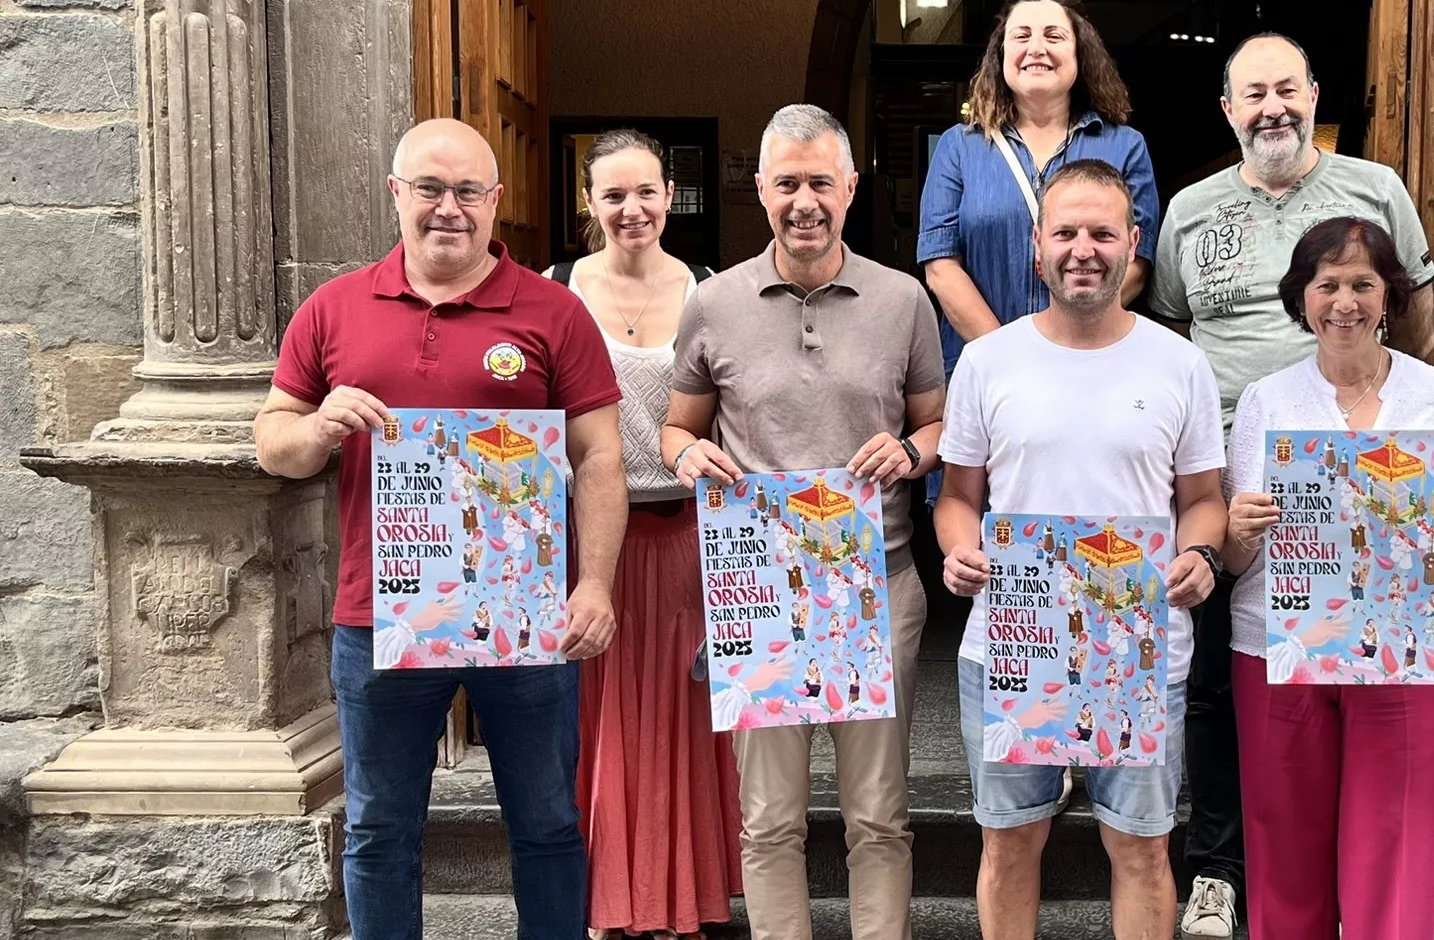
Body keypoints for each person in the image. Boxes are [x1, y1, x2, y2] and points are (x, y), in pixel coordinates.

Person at [255, 118, 627, 938]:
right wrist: (318, 427)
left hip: (525, 614)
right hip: (381, 613)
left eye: (467, 191)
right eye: (429, 188)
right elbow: (273, 441)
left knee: (548, 823)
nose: (448, 208)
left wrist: (595, 583)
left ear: (495, 200)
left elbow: (600, 455)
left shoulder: (554, 312)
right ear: (397, 193)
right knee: (379, 827)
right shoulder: (333, 308)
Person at [1148, 31, 1434, 938]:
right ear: (1227, 110)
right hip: (1220, 476)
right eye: (1253, 94)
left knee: (1347, 678)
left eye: (1287, 89)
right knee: (1219, 679)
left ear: (1314, 95)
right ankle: (1219, 869)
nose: (1272, 107)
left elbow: (1417, 320)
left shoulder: (1376, 189)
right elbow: (1171, 333)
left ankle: (1344, 874)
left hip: (1353, 485)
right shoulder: (1190, 210)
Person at [664, 104, 945, 940]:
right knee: (770, 817)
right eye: (787, 183)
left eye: (821, 182)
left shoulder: (904, 300)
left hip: (877, 586)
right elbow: (678, 426)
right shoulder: (713, 302)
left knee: (879, 814)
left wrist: (913, 452)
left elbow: (938, 424)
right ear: (761, 188)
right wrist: (687, 455)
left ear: (851, 187)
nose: (804, 201)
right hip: (763, 592)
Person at [935, 159, 1227, 940]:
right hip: (1012, 644)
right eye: (1065, 233)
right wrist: (960, 550)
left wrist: (1200, 555)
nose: (1083, 250)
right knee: (1009, 843)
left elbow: (1204, 499)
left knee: (1141, 848)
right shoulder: (988, 361)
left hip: (1139, 646)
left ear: (1134, 242)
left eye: (1102, 233)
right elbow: (958, 496)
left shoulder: (1179, 363)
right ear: (1037, 246)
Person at [1216, 217, 1434, 939]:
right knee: (1283, 848)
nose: (1345, 302)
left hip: (1406, 648)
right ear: (1302, 298)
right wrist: (1238, 532)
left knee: (1395, 852)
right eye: (1327, 284)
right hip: (1279, 646)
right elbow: (1237, 560)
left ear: (1390, 295)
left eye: (1363, 284)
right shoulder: (1266, 399)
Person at [546, 129, 739, 940]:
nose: (633, 209)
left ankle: (677, 900)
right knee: (598, 724)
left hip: (685, 535)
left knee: (680, 722)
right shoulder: (555, 290)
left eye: (646, 192)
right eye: (614, 195)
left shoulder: (711, 292)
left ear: (670, 195)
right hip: (590, 543)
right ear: (588, 203)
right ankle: (607, 900)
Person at [919, 0, 1160, 382]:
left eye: (1054, 36)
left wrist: (1068, 345)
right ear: (1001, 53)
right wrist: (1011, 358)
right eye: (1022, 36)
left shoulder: (1125, 146)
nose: (1036, 48)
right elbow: (941, 268)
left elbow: (1136, 264)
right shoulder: (958, 147)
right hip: (984, 373)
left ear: (1079, 52)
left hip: (1091, 368)